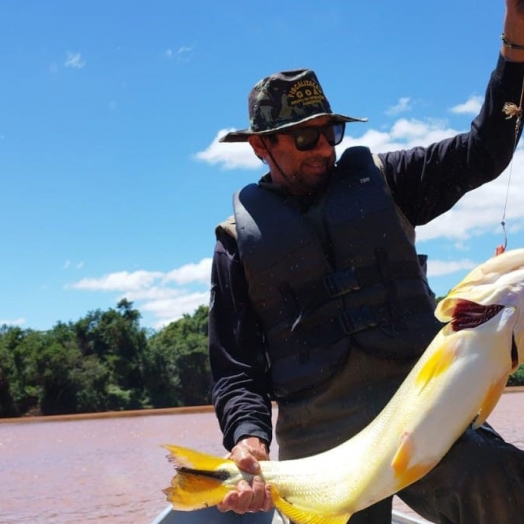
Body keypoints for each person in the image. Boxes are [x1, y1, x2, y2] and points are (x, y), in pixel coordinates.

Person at [208, 2, 524, 523]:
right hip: (319, 433)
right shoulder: (235, 243)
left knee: (501, 485)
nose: (323, 150)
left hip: (421, 406)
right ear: (261, 147)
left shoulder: (388, 179)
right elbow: (237, 369)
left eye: (330, 132)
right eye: (305, 136)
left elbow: (487, 148)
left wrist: (516, 43)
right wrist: (248, 441)